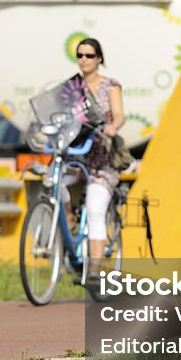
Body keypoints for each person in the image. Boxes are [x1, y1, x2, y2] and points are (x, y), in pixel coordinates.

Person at [64, 37, 125, 281]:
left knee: (95, 209)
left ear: (99, 58)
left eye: (89, 55)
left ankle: (94, 269)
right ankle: (67, 218)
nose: (84, 60)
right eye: (80, 55)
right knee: (52, 182)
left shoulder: (111, 85)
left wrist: (112, 126)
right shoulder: (71, 86)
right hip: (76, 155)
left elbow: (119, 115)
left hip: (101, 158)